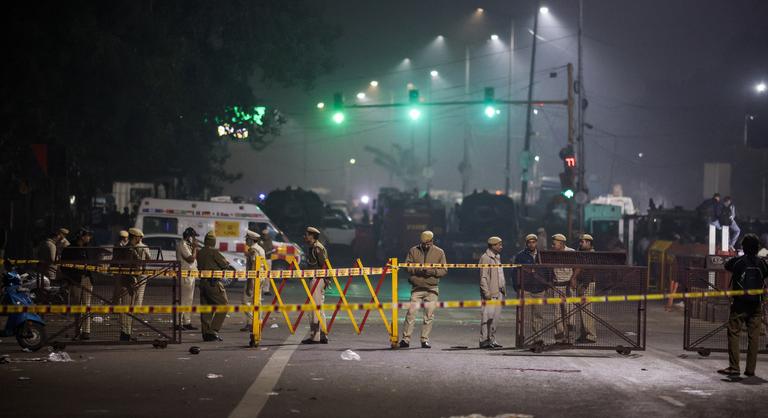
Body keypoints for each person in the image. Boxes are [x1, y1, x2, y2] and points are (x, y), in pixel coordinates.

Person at [717, 234, 768, 377]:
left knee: (733, 333)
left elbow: (727, 265)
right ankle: (750, 370)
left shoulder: (739, 262)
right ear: (757, 248)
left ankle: (734, 367)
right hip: (756, 304)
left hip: (740, 303)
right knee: (754, 337)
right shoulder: (762, 263)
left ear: (744, 247)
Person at [399, 230, 447, 349]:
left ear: (432, 241)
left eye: (428, 243)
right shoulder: (413, 250)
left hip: (432, 288)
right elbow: (407, 266)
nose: (426, 246)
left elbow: (444, 270)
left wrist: (432, 271)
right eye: (424, 243)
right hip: (417, 288)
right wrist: (418, 270)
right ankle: (405, 339)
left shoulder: (439, 252)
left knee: (429, 315)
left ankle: (424, 340)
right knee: (411, 314)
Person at [112, 228, 151, 341]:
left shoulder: (131, 249)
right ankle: (125, 334)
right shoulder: (129, 250)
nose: (140, 239)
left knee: (129, 309)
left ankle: (127, 333)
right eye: (139, 237)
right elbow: (128, 268)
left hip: (130, 281)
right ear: (135, 237)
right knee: (126, 309)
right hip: (127, 282)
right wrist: (132, 281)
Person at [196, 231, 234, 342]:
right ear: (213, 242)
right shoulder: (214, 252)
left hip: (203, 283)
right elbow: (225, 264)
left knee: (206, 309)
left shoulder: (200, 252)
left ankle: (206, 333)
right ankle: (213, 331)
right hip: (213, 284)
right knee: (224, 306)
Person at [60, 228, 95, 340]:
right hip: (76, 280)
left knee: (87, 305)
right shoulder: (70, 249)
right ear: (81, 236)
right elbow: (64, 267)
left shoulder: (87, 248)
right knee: (77, 307)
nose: (89, 238)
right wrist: (71, 279)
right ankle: (77, 330)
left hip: (87, 279)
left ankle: (86, 331)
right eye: (87, 235)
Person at [513, 234, 545, 345]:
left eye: (533, 242)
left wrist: (545, 285)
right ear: (526, 243)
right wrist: (517, 287)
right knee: (522, 315)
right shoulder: (520, 256)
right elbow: (514, 272)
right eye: (529, 242)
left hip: (539, 290)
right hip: (525, 289)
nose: (532, 244)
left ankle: (538, 339)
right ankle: (521, 339)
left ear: (536, 243)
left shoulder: (542, 256)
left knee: (538, 316)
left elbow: (547, 271)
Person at [301, 227, 330, 344]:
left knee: (314, 308)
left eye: (307, 235)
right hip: (318, 279)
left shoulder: (317, 248)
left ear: (312, 236)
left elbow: (324, 265)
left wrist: (327, 279)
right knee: (319, 307)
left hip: (317, 279)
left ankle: (315, 336)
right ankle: (323, 334)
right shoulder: (314, 247)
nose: (305, 237)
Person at [479, 236, 506, 349]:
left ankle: (492, 339)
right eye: (499, 244)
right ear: (493, 245)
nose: (501, 246)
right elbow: (483, 277)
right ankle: (484, 340)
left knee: (495, 319)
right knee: (487, 318)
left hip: (499, 292)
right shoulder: (486, 258)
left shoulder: (497, 257)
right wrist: (486, 292)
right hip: (491, 293)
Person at [551, 234, 576, 344]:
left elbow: (578, 266)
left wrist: (574, 278)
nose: (552, 245)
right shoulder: (551, 254)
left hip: (568, 286)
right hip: (556, 285)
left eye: (554, 243)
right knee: (557, 313)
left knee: (570, 312)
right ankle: (559, 337)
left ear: (561, 243)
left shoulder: (571, 252)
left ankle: (570, 337)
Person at [175, 227, 199, 331]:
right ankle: (178, 323)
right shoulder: (182, 245)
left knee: (188, 300)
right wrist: (195, 248)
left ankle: (187, 322)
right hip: (185, 275)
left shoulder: (188, 245)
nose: (194, 239)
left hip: (191, 275)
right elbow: (190, 259)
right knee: (182, 300)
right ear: (188, 236)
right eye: (193, 237)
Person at [241, 230, 265, 332]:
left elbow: (254, 266)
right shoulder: (260, 248)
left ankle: (252, 322)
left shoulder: (253, 250)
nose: (246, 240)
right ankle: (258, 322)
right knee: (257, 301)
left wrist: (250, 283)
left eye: (247, 238)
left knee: (245, 301)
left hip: (254, 277)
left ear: (251, 240)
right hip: (261, 277)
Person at [575, 234, 597, 343]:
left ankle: (590, 336)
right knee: (582, 310)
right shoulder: (583, 253)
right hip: (582, 282)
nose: (580, 243)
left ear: (589, 243)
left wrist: (584, 286)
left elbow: (589, 271)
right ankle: (584, 334)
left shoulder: (591, 254)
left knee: (587, 310)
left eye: (582, 242)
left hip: (587, 283)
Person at [259, 224, 275, 295]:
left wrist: (269, 251)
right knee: (260, 275)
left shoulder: (269, 240)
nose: (265, 235)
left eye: (266, 234)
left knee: (267, 275)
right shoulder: (259, 240)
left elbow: (271, 248)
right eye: (263, 234)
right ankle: (259, 289)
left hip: (267, 259)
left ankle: (266, 290)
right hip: (260, 260)